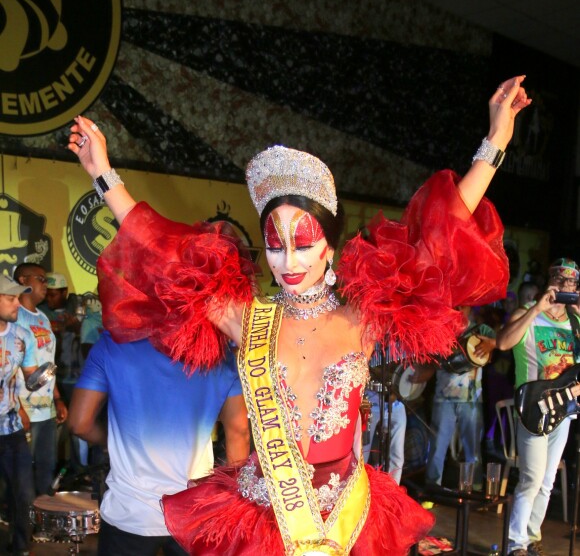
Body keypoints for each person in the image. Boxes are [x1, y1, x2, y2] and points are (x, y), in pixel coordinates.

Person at [67, 76, 531, 554]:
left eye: (304, 243)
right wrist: (102, 172)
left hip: (347, 521)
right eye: (275, 244)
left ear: (330, 245)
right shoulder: (246, 319)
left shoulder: (362, 317)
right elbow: (159, 248)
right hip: (263, 520)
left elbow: (438, 234)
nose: (289, 261)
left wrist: (495, 140)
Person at [67, 331, 249, 556]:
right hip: (193, 512)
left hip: (129, 512)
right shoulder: (219, 356)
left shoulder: (114, 344)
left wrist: (113, 438)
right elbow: (239, 432)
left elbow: (78, 423)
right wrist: (233, 504)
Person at [496, 258, 580, 556]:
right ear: (549, 283)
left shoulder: (576, 322)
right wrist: (536, 309)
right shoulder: (528, 314)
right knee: (531, 478)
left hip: (565, 408)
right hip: (533, 407)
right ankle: (514, 543)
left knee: (547, 480)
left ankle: (531, 537)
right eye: (558, 281)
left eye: (569, 283)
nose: (563, 287)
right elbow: (503, 343)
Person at [421, 306, 496, 488]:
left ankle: (473, 487)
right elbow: (430, 359)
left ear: (470, 307)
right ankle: (432, 488)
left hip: (471, 398)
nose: (458, 309)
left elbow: (494, 347)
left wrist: (491, 344)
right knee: (438, 446)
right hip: (443, 397)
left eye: (462, 305)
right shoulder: (440, 330)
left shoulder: (481, 329)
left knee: (472, 446)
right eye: (455, 305)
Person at [13, 262, 68, 497]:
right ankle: (17, 519)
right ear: (24, 281)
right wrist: (17, 408)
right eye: (41, 279)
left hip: (45, 409)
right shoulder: (14, 315)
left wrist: (58, 399)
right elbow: (10, 366)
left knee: (46, 465)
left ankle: (43, 519)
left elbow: (48, 363)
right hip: (22, 409)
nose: (46, 285)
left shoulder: (43, 318)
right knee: (21, 470)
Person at [0, 275, 38, 556]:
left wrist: (41, 376)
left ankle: (21, 548)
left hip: (11, 429)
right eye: (10, 298)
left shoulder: (22, 336)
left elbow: (29, 378)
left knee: (24, 495)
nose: (18, 304)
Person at [363, 345, 407, 484]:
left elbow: (408, 368)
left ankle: (393, 490)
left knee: (397, 454)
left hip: (396, 403)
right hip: (369, 400)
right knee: (363, 450)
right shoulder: (370, 341)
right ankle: (360, 490)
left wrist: (398, 389)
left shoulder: (400, 342)